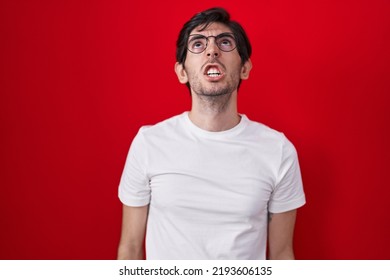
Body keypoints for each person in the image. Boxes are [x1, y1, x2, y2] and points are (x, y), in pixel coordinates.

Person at [117, 7, 305, 260]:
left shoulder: (278, 150)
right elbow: (129, 248)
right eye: (198, 43)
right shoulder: (149, 143)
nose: (212, 50)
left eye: (225, 43)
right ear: (182, 72)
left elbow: (282, 254)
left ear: (245, 69)